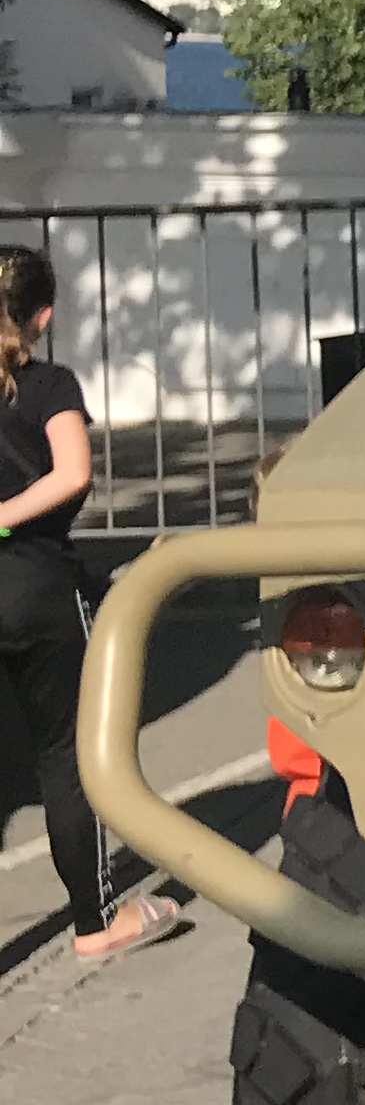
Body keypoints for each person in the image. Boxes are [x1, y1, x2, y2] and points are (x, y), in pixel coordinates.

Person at [0, 247, 172, 960]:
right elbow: (72, 475)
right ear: (42, 316)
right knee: (66, 753)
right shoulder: (48, 385)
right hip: (36, 585)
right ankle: (96, 921)